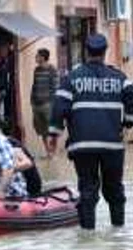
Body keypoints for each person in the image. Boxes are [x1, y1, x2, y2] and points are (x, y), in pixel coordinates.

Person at [48, 33, 133, 230]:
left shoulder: (71, 78)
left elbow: (59, 107)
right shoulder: (120, 78)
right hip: (112, 145)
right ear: (105, 52)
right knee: (114, 189)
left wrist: (54, 134)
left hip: (82, 145)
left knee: (87, 189)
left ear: (86, 51)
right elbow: (131, 99)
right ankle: (118, 231)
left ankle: (87, 233)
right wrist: (127, 123)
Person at [31, 48, 59, 158]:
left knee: (52, 128)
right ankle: (48, 152)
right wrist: (32, 101)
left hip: (48, 104)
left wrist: (53, 103)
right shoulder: (36, 70)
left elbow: (55, 87)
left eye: (37, 56)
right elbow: (34, 85)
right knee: (41, 129)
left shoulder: (52, 70)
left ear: (43, 57)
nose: (36, 58)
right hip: (36, 104)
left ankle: (53, 150)